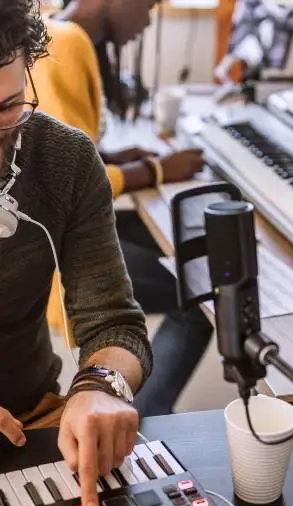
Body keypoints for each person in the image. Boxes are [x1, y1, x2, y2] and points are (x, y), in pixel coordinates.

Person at [0, 0, 153, 506]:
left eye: (6, 108)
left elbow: (116, 325)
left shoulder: (63, 158)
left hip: (32, 421)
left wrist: (99, 385)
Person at [32, 0, 215, 417]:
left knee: (187, 241)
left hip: (56, 237)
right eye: (147, 6)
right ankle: (142, 416)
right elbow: (66, 182)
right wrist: (153, 170)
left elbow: (67, 151)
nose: (147, 20)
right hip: (61, 258)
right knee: (202, 291)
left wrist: (114, 155)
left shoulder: (57, 31)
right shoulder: (69, 42)